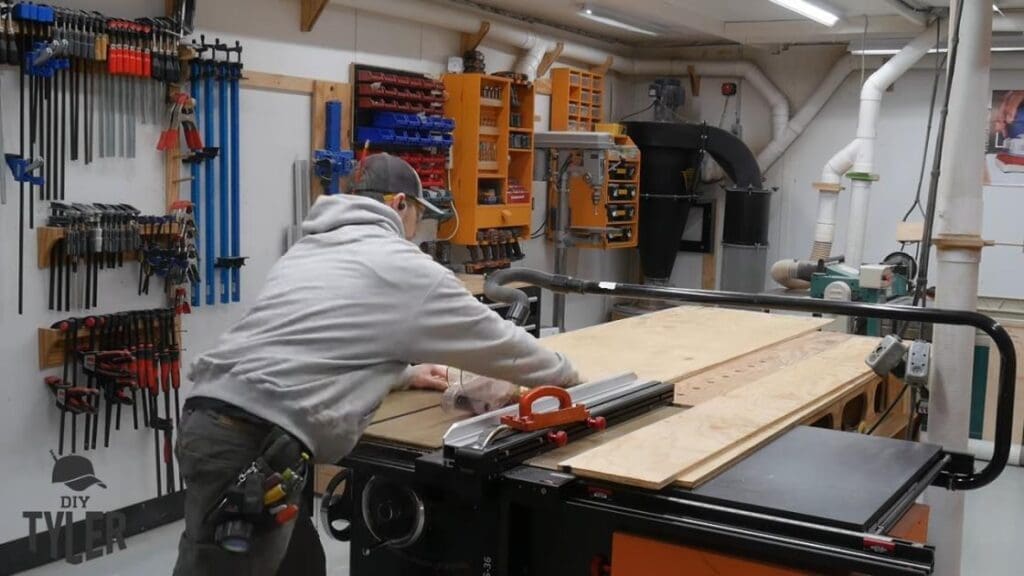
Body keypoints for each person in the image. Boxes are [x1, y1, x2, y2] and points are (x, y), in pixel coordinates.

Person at [173, 153, 578, 576]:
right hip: (250, 444)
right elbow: (499, 344)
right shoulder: (401, 264)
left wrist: (405, 373)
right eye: (419, 216)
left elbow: (318, 340)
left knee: (302, 563)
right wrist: (568, 373)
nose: (417, 230)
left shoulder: (308, 250)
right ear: (399, 204)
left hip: (215, 419)